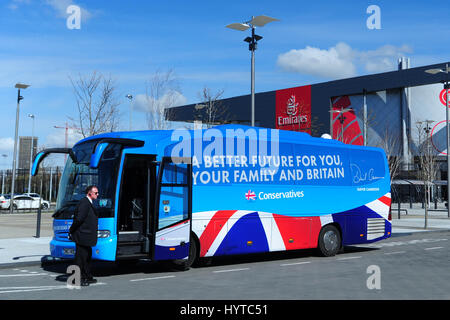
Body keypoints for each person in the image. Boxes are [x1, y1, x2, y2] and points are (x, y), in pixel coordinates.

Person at [69, 185, 99, 286]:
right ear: (89, 193)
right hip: (82, 235)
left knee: (86, 257)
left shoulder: (88, 203)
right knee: (80, 258)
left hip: (86, 236)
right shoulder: (84, 203)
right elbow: (79, 219)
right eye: (96, 193)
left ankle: (87, 276)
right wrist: (71, 230)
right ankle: (76, 279)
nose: (97, 195)